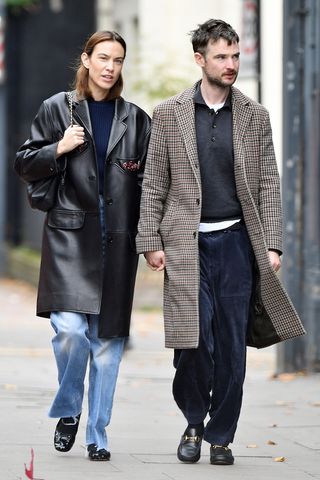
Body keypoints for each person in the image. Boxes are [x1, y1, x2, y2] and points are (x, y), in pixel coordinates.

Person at [136, 19, 305, 466]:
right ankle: (193, 420)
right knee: (193, 342)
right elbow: (154, 183)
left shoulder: (254, 116)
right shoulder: (169, 113)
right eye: (221, 57)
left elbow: (269, 182)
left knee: (231, 344)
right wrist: (150, 239)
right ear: (200, 59)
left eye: (235, 56)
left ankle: (221, 435)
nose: (230, 64)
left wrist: (271, 244)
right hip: (185, 243)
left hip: (236, 243)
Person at [15, 31, 150, 461]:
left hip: (118, 242)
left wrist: (152, 241)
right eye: (104, 58)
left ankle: (98, 436)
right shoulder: (58, 108)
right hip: (70, 238)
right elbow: (23, 162)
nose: (111, 67)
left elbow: (149, 185)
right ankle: (70, 408)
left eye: (118, 60)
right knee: (72, 334)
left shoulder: (136, 118)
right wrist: (59, 147)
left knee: (108, 351)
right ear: (87, 60)